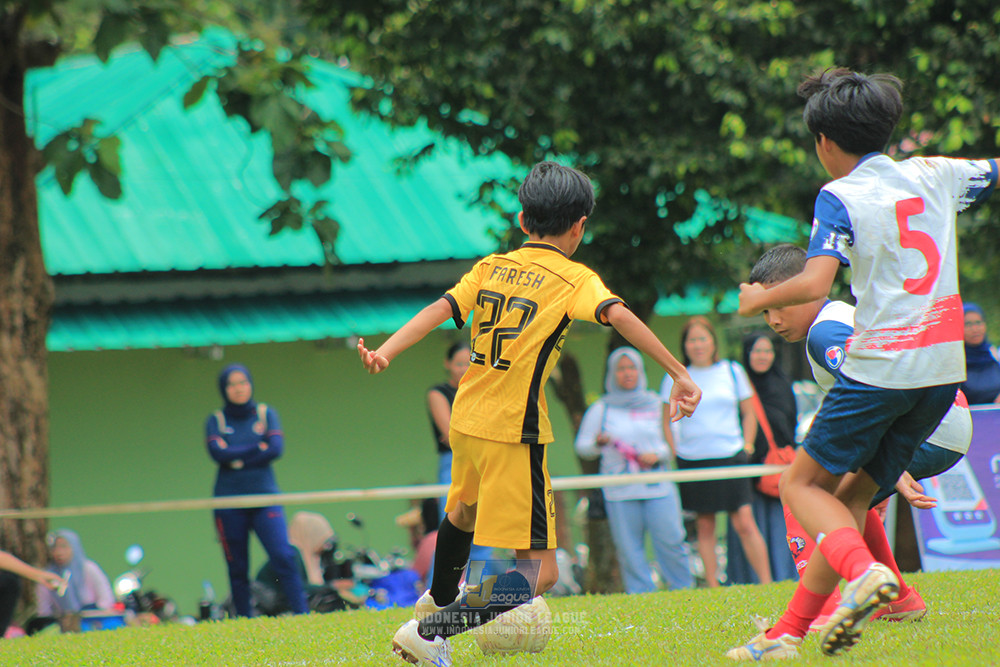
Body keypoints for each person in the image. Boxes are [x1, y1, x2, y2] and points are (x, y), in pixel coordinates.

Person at [358, 160, 701, 666]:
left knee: (463, 513)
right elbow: (620, 316)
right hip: (514, 430)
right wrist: (678, 372)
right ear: (579, 227)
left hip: (466, 417)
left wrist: (386, 351)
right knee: (541, 572)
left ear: (522, 219)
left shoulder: (491, 267)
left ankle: (438, 601)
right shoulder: (574, 278)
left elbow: (439, 309)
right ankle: (431, 631)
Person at [729, 68, 997, 661]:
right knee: (849, 501)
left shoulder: (841, 195)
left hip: (883, 368)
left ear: (824, 142)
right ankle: (789, 634)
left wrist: (754, 299)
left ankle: (863, 574)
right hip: (940, 373)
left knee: (799, 485)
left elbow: (815, 281)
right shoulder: (937, 172)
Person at [747, 243, 974, 633]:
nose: (773, 319)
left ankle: (824, 610)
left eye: (779, 304)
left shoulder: (824, 333)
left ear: (809, 288)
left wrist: (891, 458)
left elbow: (874, 389)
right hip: (945, 418)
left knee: (804, 491)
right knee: (847, 496)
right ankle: (898, 600)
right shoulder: (838, 317)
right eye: (765, 310)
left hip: (931, 425)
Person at [660, 316, 773, 588]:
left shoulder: (732, 371)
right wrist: (675, 451)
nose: (698, 345)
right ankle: (712, 586)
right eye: (692, 340)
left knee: (744, 521)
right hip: (693, 459)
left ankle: (767, 582)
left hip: (731, 455)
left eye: (702, 338)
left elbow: (749, 413)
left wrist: (747, 445)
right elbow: (666, 420)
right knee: (705, 525)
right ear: (684, 345)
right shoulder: (675, 377)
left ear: (713, 342)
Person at [575, 347, 694, 594]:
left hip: (658, 487)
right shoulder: (602, 408)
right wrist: (599, 443)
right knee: (629, 550)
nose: (627, 373)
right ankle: (641, 594)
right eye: (621, 369)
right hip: (620, 492)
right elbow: (582, 447)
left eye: (632, 368)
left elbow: (675, 440)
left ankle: (683, 591)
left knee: (672, 541)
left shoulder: (657, 403)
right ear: (612, 374)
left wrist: (658, 454)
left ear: (640, 371)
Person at [206, 363, 308, 618]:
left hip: (265, 498)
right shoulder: (216, 420)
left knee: (283, 556)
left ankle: (302, 614)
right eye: (232, 384)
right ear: (223, 389)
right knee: (237, 566)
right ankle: (244, 619)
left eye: (243, 382)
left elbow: (275, 448)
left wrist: (236, 458)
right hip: (229, 501)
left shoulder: (265, 413)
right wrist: (256, 448)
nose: (238, 389)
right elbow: (217, 453)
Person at [725, 332, 798, 584]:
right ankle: (749, 579)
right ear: (746, 354)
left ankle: (784, 578)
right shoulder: (736, 386)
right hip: (746, 468)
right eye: (756, 351)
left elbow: (790, 425)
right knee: (747, 524)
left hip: (777, 470)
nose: (762, 356)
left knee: (781, 527)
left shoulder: (782, 384)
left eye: (767, 351)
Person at [427, 342, 493, 572]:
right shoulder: (438, 393)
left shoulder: (483, 390)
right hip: (453, 463)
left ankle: (479, 590)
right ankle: (438, 590)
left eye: (469, 363)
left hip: (484, 462)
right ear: (447, 364)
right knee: (451, 531)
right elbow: (449, 435)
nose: (464, 369)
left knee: (484, 531)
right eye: (459, 364)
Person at [32, 529, 114, 633]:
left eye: (64, 547)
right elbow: (44, 610)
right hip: (62, 623)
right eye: (55, 548)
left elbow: (106, 599)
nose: (59, 552)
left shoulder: (88, 569)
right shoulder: (49, 576)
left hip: (92, 619)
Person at [961, 302, 1000, 405]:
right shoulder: (954, 361)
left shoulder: (994, 354)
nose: (975, 329)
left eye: (978, 323)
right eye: (968, 324)